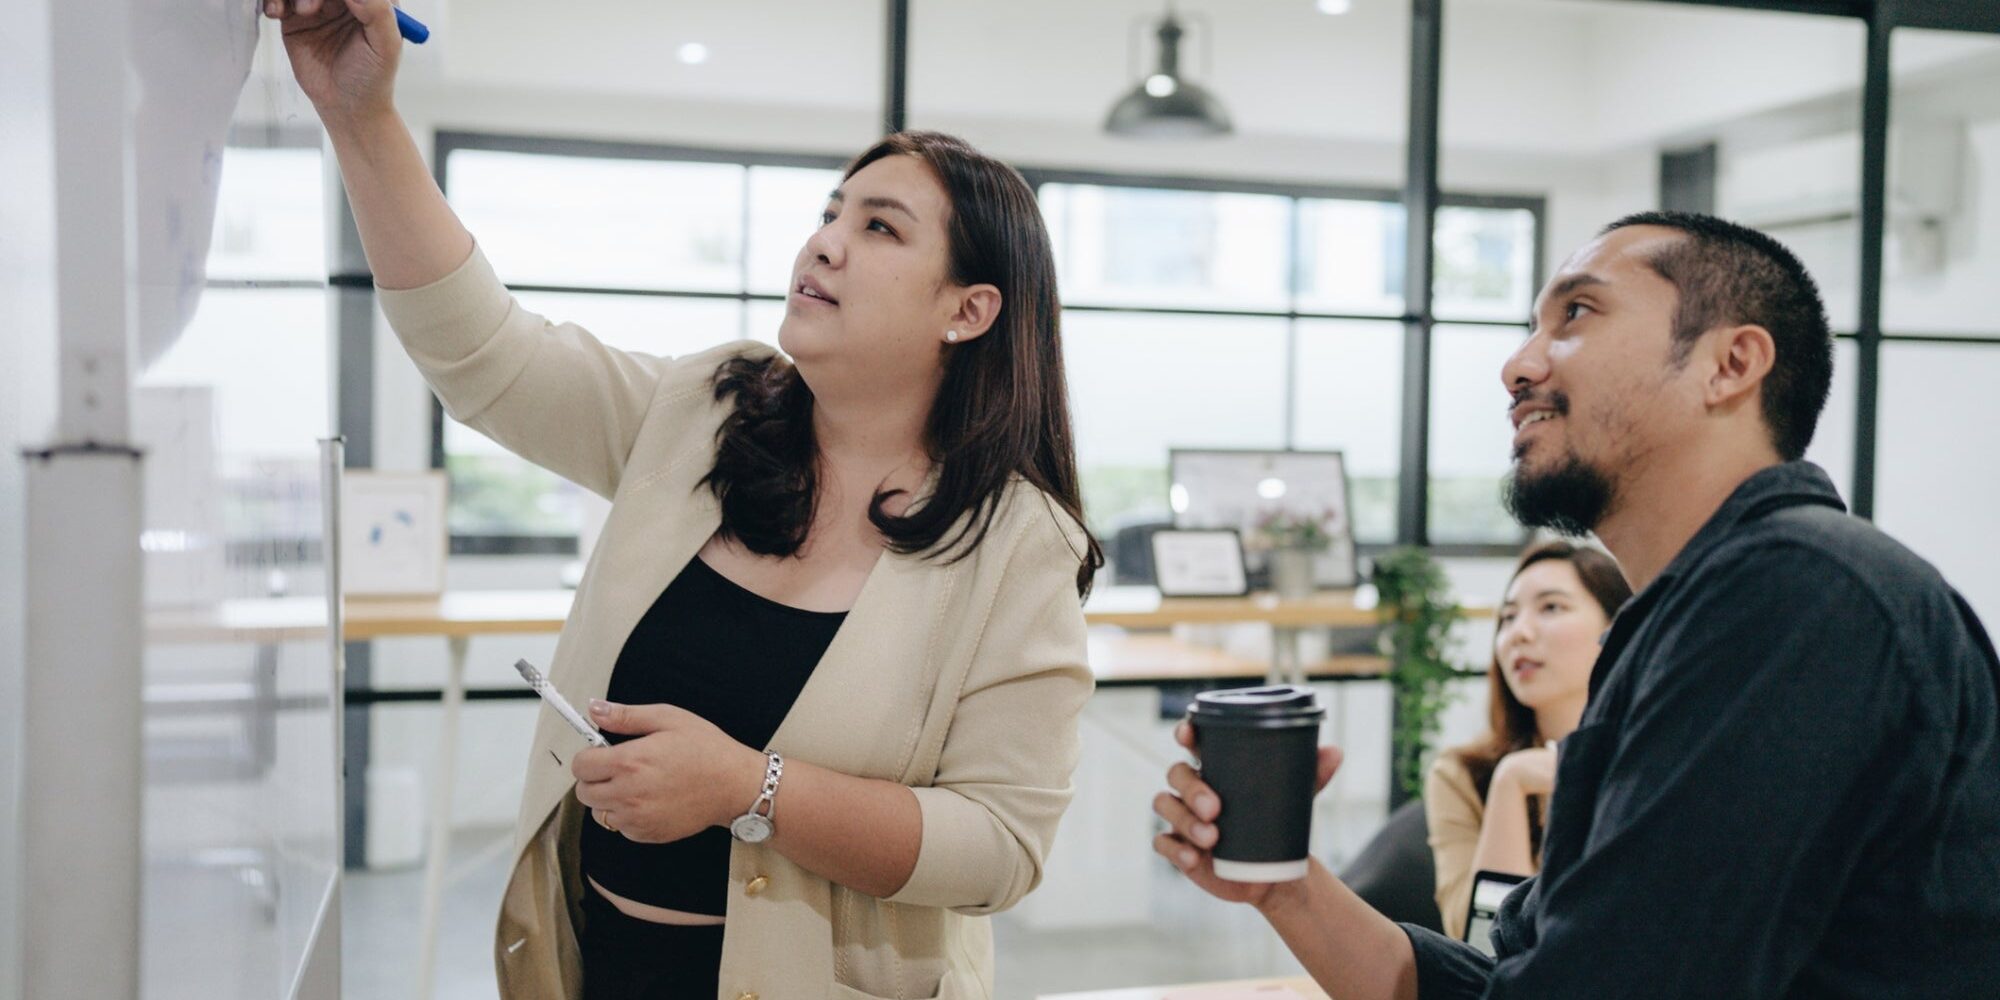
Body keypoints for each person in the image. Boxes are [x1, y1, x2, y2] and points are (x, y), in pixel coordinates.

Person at [270, 1, 1104, 997]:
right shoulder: (706, 410)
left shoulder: (1019, 544)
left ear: (967, 310)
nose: (824, 244)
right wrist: (360, 116)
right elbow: (483, 352)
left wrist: (749, 788)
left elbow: (1000, 846)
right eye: (830, 213)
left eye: (879, 227)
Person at [1154, 211, 2000, 998]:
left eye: (1578, 314)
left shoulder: (1799, 593)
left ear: (1731, 364)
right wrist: (1287, 887)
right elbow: (1522, 979)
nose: (1518, 366)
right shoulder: (1680, 617)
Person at [1425, 541, 1631, 940]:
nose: (1518, 633)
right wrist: (1511, 783)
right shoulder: (1461, 773)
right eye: (1508, 617)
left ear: (1617, 629)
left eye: (1551, 607)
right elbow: (1483, 945)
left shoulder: (1654, 757)